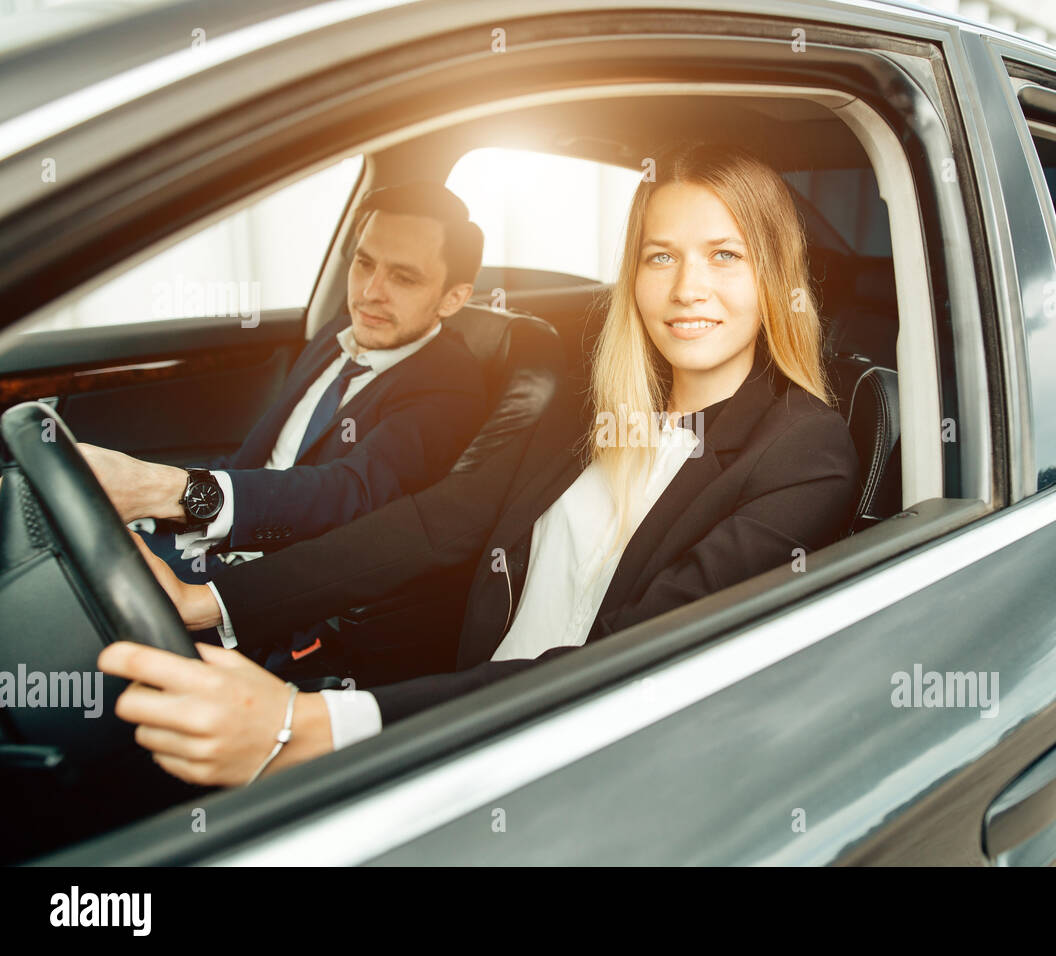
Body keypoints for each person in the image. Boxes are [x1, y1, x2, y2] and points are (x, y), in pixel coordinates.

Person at [98, 142, 861, 787]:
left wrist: (315, 724)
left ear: (773, 276)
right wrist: (219, 601)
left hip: (572, 760)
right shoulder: (595, 399)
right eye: (660, 256)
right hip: (462, 712)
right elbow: (440, 522)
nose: (688, 288)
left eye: (724, 256)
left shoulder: (803, 453)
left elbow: (621, 665)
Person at [80, 182, 489, 662]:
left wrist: (169, 489)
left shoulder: (451, 387)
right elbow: (251, 460)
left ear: (452, 298)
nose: (369, 293)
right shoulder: (338, 336)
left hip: (275, 598)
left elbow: (350, 493)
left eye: (403, 277)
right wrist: (156, 515)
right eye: (364, 263)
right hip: (209, 545)